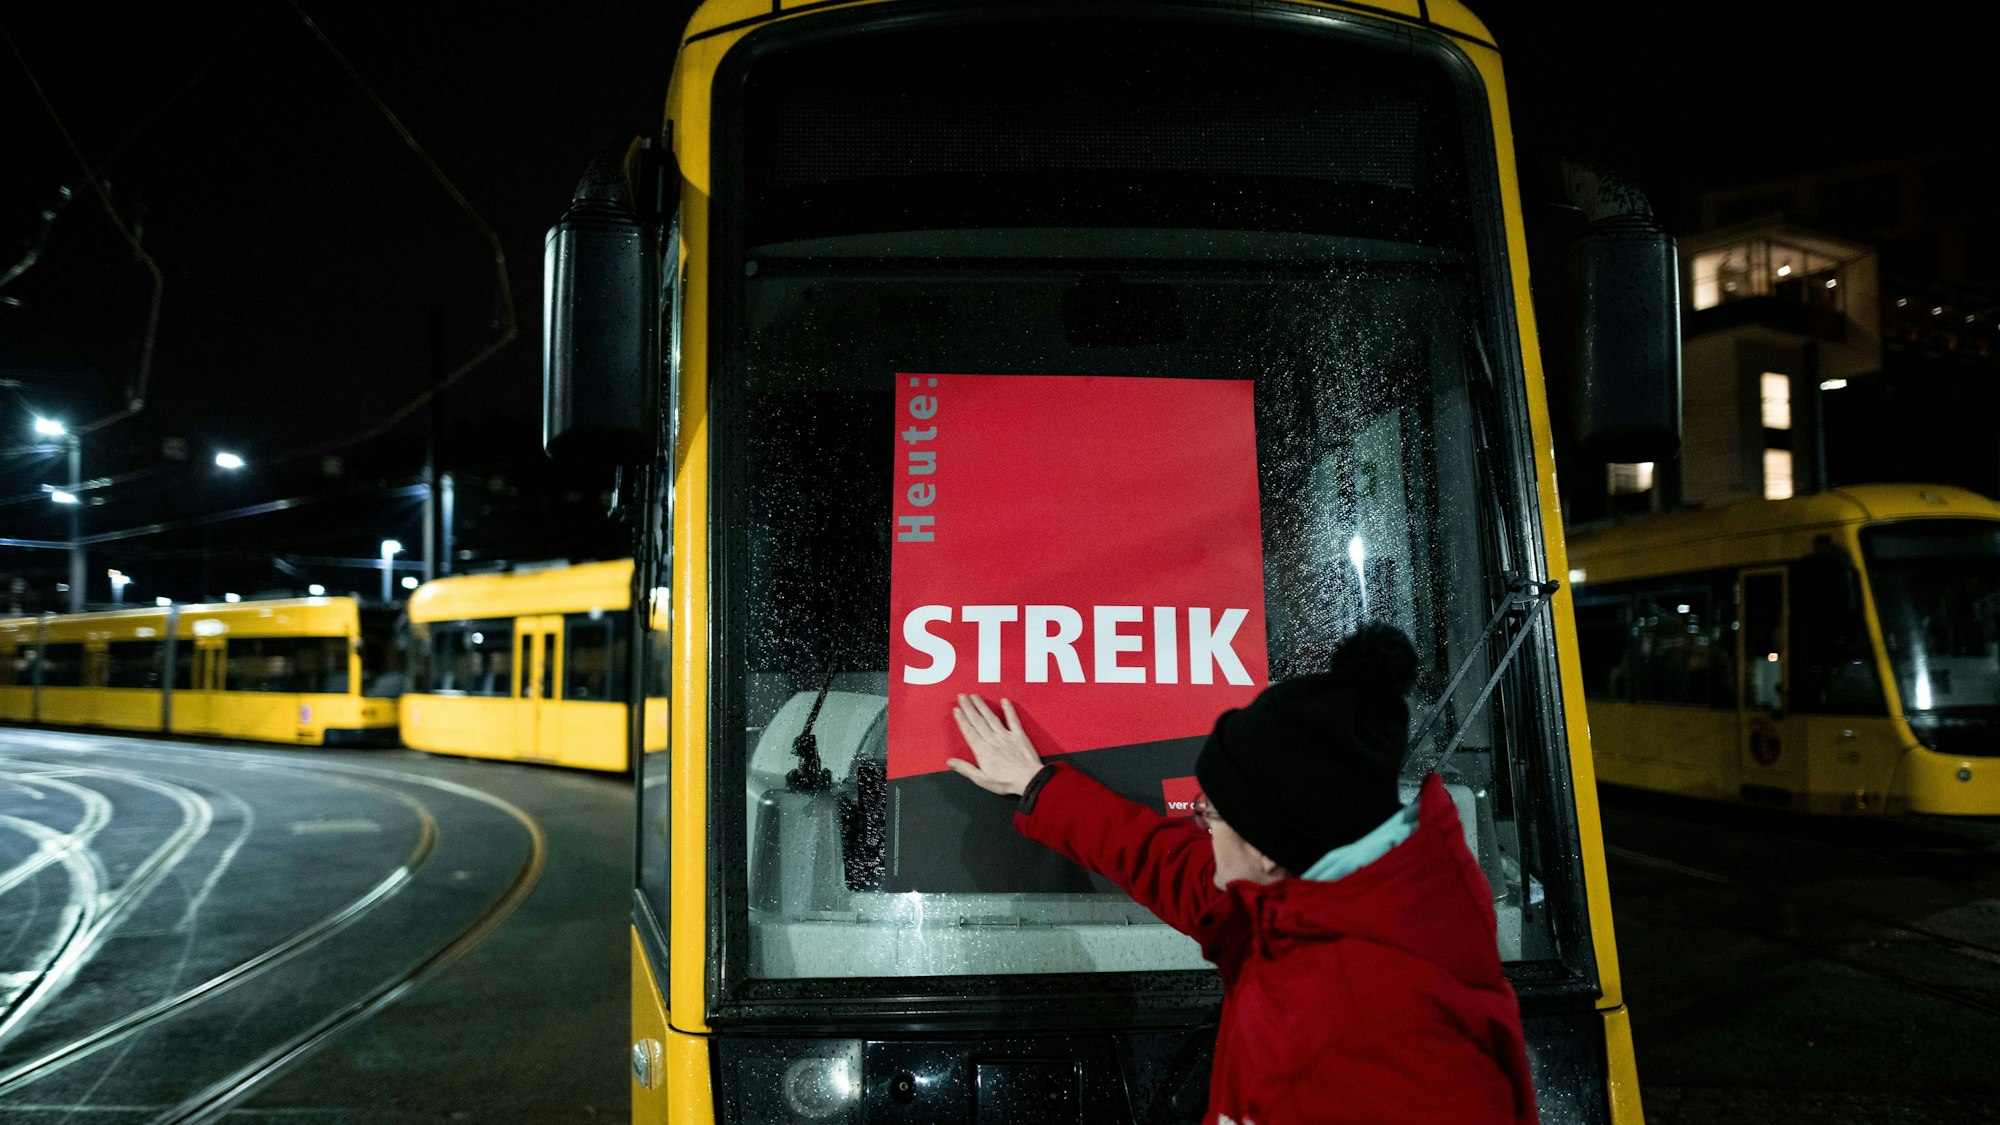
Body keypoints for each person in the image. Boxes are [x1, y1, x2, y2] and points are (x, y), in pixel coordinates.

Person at [947, 621, 1537, 1125]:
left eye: (1212, 814)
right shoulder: (1322, 903)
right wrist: (1038, 787)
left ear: (1270, 850)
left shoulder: (1380, 1037)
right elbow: (1167, 864)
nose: (1200, 828)